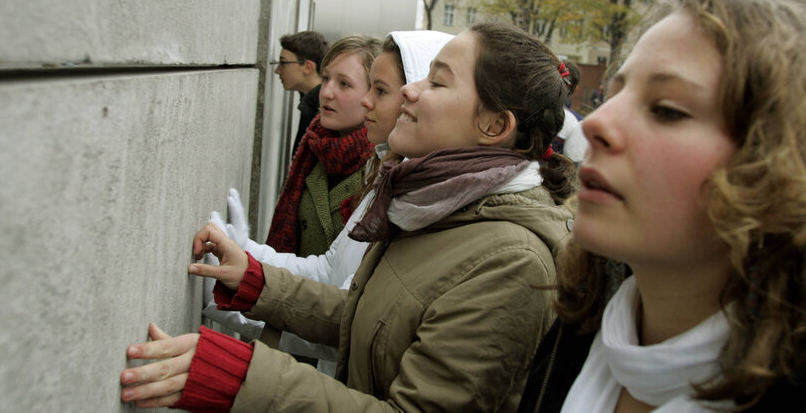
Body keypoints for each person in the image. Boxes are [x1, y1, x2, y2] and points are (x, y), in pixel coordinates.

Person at [120, 22, 577, 411]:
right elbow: (370, 317)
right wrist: (259, 282)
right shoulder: (433, 204)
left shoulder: (511, 262)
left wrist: (245, 378)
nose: (408, 93)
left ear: (495, 125)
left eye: (437, 83)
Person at [518, 0, 806, 411]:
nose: (596, 125)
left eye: (666, 110)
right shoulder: (575, 332)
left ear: (784, 176)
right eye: (613, 96)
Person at [203, 30, 454, 377]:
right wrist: (247, 254)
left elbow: (344, 321)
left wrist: (238, 295)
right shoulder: (386, 174)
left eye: (376, 90)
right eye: (326, 79)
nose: (328, 92)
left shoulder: (412, 194)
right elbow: (329, 270)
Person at [264, 36, 380, 258]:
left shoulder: (382, 167)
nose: (326, 92)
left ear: (374, 94)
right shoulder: (315, 145)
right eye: (326, 78)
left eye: (344, 84)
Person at [272, 31, 330, 156]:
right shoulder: (311, 104)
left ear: (308, 67)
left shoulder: (325, 112)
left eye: (283, 63)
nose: (277, 71)